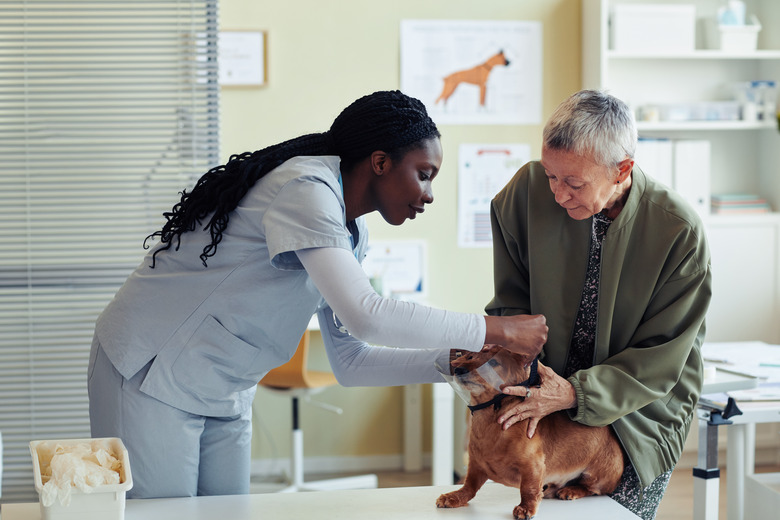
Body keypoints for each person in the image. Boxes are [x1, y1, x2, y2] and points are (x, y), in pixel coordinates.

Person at [87, 90, 548, 499]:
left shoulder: (351, 234)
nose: (428, 195)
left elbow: (350, 362)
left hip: (224, 387)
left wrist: (450, 362)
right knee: (161, 516)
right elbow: (369, 315)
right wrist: (497, 328)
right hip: (148, 369)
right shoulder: (305, 190)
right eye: (424, 174)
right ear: (381, 162)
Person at [485, 89, 712, 520]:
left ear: (622, 169)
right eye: (551, 175)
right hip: (541, 399)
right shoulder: (525, 192)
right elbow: (510, 302)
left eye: (574, 182)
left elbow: (663, 357)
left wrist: (574, 393)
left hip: (634, 413)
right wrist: (508, 371)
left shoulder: (678, 232)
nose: (557, 193)